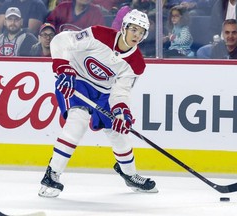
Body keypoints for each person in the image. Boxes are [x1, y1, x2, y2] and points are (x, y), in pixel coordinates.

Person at [38, 9, 158, 198]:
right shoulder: (99, 34)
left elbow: (121, 91)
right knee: (78, 119)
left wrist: (121, 113)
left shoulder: (137, 63)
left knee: (118, 129)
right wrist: (63, 67)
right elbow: (61, 40)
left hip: (104, 93)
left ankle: (129, 174)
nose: (137, 35)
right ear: (124, 27)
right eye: (133, 29)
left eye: (141, 32)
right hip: (76, 80)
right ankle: (52, 174)